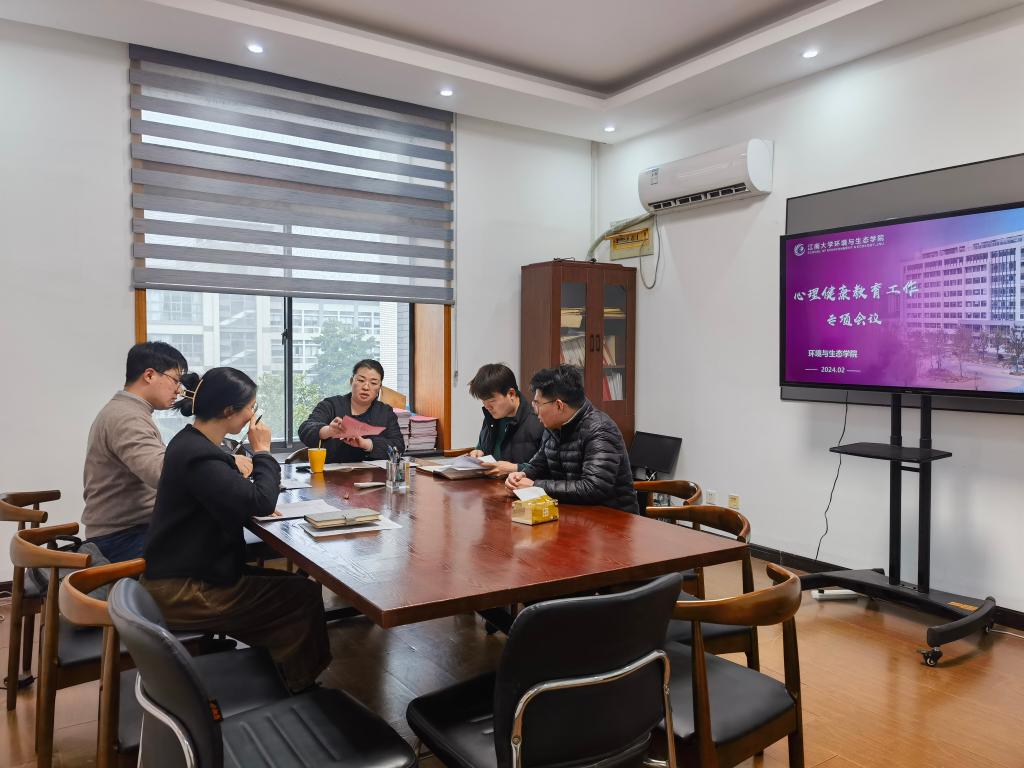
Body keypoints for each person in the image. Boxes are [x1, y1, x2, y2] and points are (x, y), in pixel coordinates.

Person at [143, 367, 330, 693]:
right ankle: (297, 688)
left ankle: (282, 673)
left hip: (183, 577)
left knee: (297, 589)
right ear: (229, 411)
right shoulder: (199, 455)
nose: (252, 416)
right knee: (303, 597)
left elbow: (233, 493)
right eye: (250, 408)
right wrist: (262, 452)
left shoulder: (190, 443)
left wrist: (244, 489)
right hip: (185, 591)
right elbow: (260, 501)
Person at [82, 342, 253, 563]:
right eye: (175, 379)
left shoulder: (127, 411)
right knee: (222, 545)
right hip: (122, 537)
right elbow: (164, 474)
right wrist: (227, 462)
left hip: (129, 530)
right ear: (149, 375)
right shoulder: (127, 417)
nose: (179, 390)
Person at [505, 364, 638, 514]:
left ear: (559, 405)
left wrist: (535, 486)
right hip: (574, 513)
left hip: (612, 519)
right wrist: (522, 475)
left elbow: (593, 488)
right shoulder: (553, 426)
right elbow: (540, 463)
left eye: (537, 404)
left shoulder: (600, 430)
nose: (535, 411)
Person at [298, 359, 405, 463]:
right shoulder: (331, 405)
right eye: (361, 380)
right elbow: (305, 429)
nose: (366, 387)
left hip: (372, 474)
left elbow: (398, 446)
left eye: (373, 383)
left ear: (379, 387)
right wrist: (328, 430)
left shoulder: (385, 412)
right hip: (332, 473)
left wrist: (366, 444)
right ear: (351, 381)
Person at [467, 363, 543, 476]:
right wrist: (477, 452)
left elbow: (547, 469)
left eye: (492, 401)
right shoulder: (491, 418)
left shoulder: (539, 421)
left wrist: (515, 468)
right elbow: (481, 448)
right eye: (483, 402)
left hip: (519, 486)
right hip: (489, 485)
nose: (487, 407)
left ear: (511, 394)